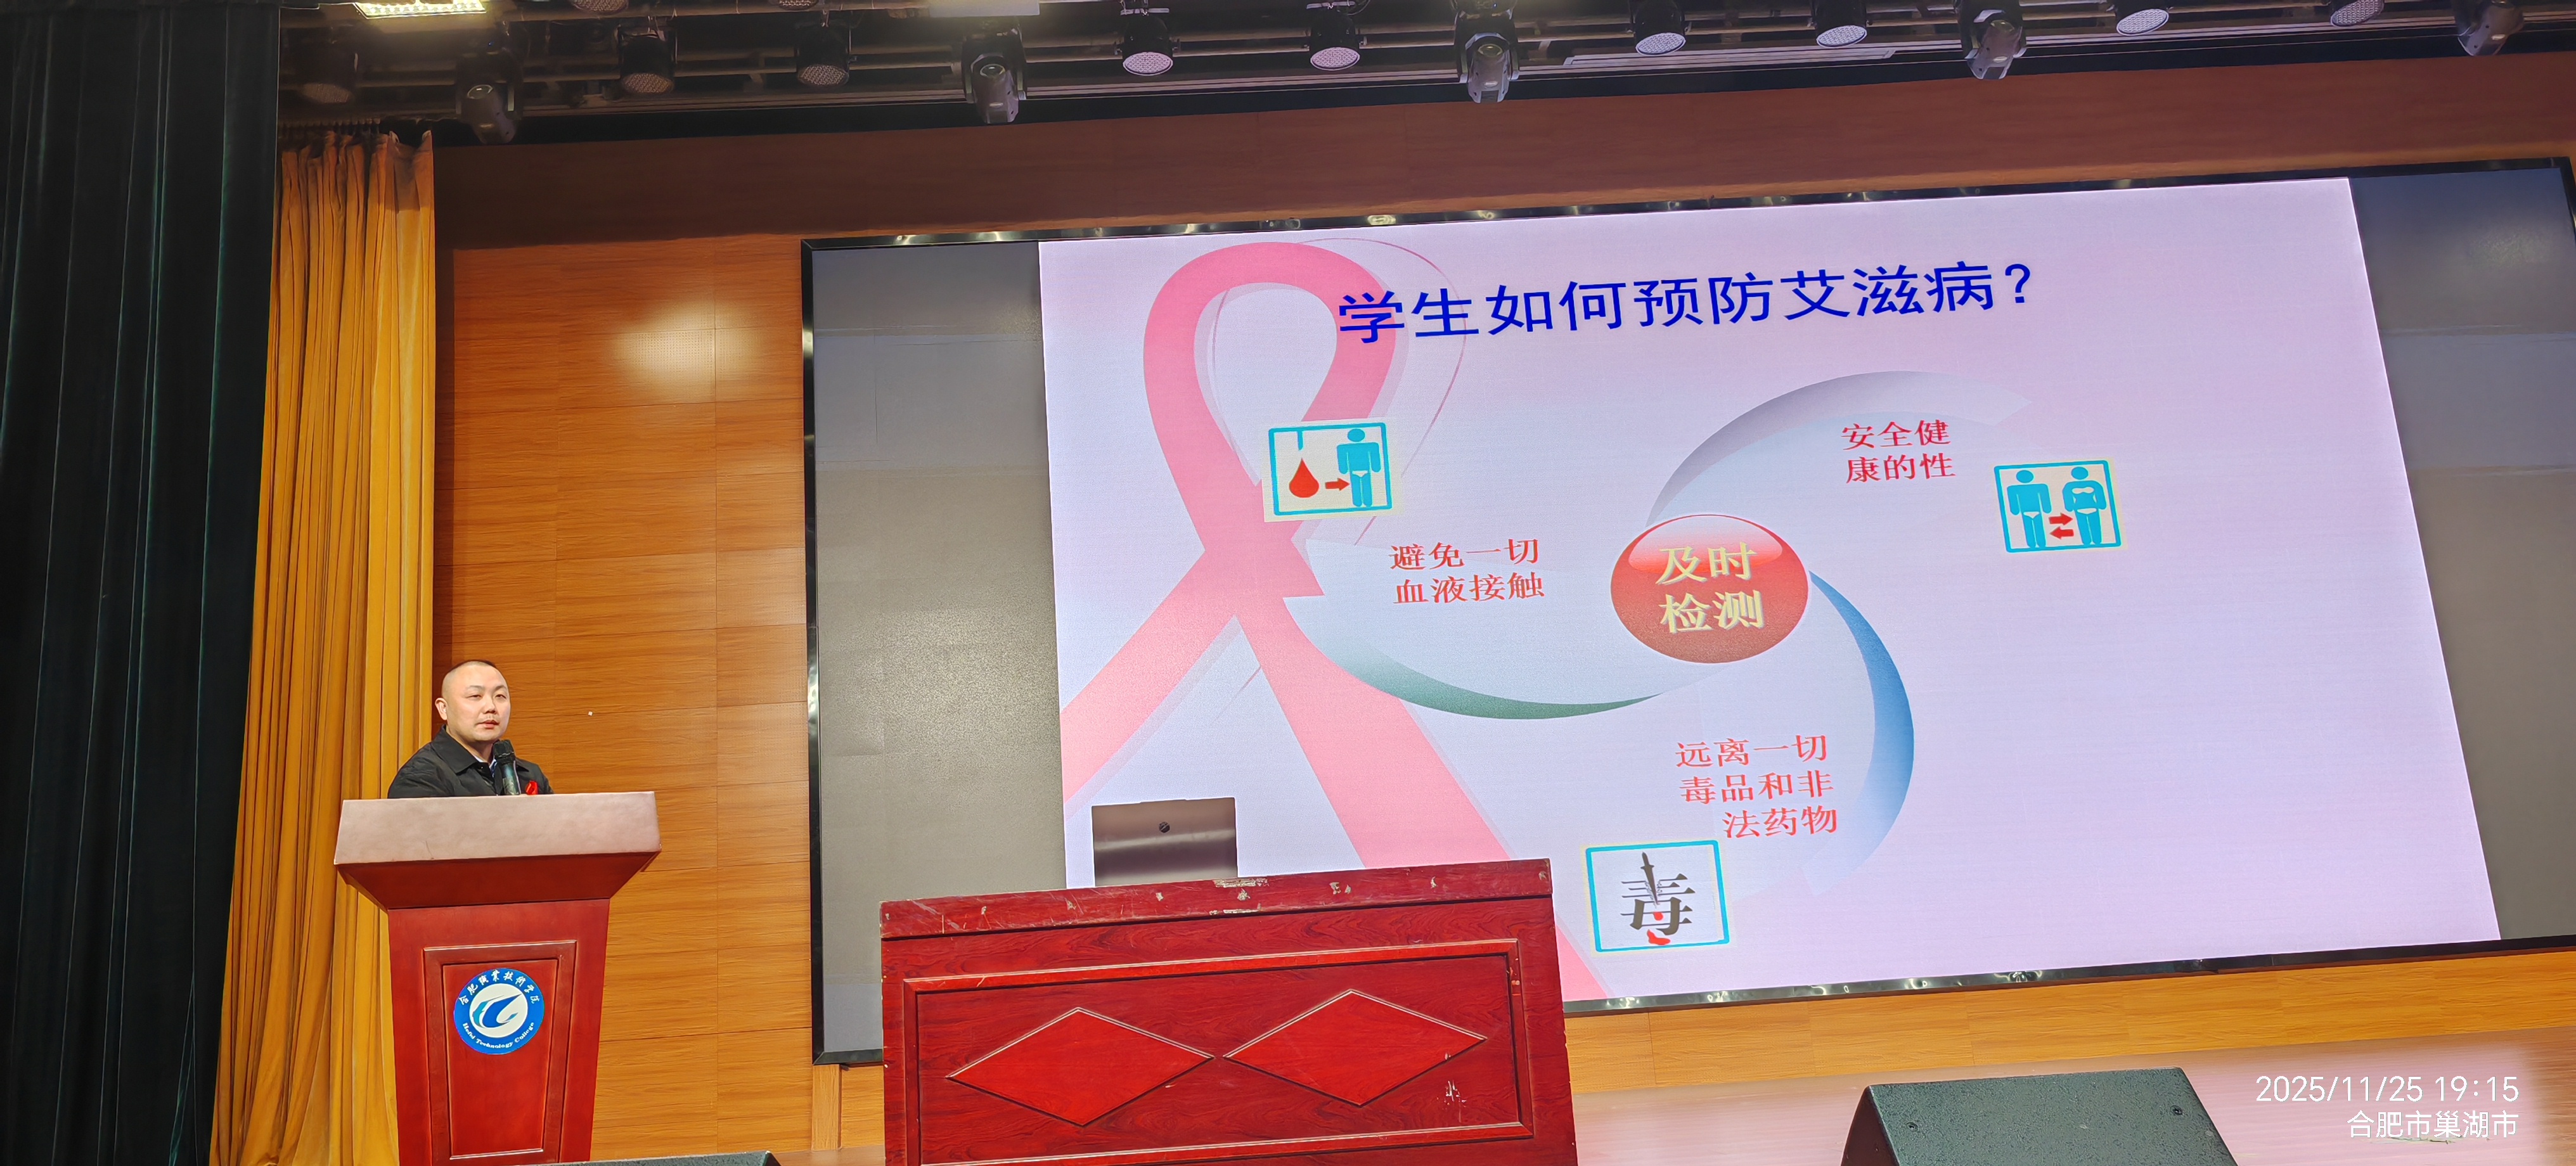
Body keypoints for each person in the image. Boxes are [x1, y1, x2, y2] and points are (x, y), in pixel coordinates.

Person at [389, 659, 553, 798]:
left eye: (500, 696)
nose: (491, 707)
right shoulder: (421, 778)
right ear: (443, 709)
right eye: (475, 696)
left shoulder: (528, 774)